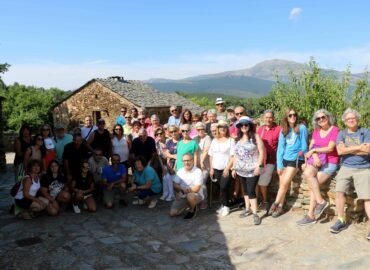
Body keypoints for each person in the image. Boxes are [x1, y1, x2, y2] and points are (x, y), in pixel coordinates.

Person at [330, 109, 370, 239]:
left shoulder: (365, 132)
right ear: (345, 121)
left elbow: (367, 151)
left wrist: (348, 149)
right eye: (348, 119)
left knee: (367, 198)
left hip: (364, 168)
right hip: (346, 167)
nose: (351, 120)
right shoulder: (342, 134)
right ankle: (341, 220)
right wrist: (359, 147)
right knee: (339, 192)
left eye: (353, 118)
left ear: (357, 119)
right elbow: (340, 151)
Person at [296, 109, 340, 225]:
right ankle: (320, 202)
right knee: (308, 174)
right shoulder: (316, 131)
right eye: (318, 118)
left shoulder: (334, 130)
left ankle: (311, 215)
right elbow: (311, 147)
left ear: (328, 117)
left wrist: (314, 150)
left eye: (323, 117)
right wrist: (314, 155)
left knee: (312, 186)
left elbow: (330, 148)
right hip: (317, 160)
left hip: (330, 162)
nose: (321, 120)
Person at [269, 109, 308, 218]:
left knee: (285, 182)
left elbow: (305, 145)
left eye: (294, 115)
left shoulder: (301, 128)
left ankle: (275, 204)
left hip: (295, 159)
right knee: (282, 185)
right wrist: (279, 165)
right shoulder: (284, 130)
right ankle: (281, 206)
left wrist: (302, 153)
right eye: (290, 115)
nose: (293, 117)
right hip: (285, 159)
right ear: (286, 117)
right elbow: (280, 149)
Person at [232, 116, 264, 225]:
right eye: (242, 125)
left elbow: (262, 152)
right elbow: (236, 155)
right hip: (241, 170)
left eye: (246, 124)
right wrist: (233, 168)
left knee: (251, 191)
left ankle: (255, 213)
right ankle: (247, 209)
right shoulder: (238, 139)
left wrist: (259, 167)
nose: (244, 127)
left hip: (252, 169)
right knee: (245, 190)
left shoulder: (255, 137)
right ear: (239, 127)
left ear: (249, 126)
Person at [209, 120, 236, 216]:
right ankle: (224, 204)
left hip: (226, 168)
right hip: (216, 168)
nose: (222, 128)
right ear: (218, 129)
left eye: (224, 127)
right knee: (221, 188)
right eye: (220, 127)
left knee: (224, 187)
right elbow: (211, 155)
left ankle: (226, 206)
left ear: (227, 128)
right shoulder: (214, 140)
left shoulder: (231, 140)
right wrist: (211, 168)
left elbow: (233, 156)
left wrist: (227, 168)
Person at [256, 110, 281, 209]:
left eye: (270, 117)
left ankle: (265, 201)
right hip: (260, 159)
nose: (268, 119)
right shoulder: (260, 129)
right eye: (266, 117)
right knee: (254, 182)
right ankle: (256, 202)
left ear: (274, 118)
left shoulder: (278, 129)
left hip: (271, 161)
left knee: (262, 183)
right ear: (263, 118)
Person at [170, 153, 205, 219]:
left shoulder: (198, 171)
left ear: (192, 160)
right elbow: (175, 184)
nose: (186, 162)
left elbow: (196, 189)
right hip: (183, 196)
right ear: (182, 162)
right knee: (173, 213)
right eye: (184, 161)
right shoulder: (180, 171)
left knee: (190, 196)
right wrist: (178, 192)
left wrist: (182, 192)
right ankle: (188, 204)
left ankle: (192, 210)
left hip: (196, 195)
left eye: (188, 160)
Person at [194, 122, 211, 209]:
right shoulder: (195, 138)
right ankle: (195, 199)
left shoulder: (207, 138)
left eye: (202, 129)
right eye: (198, 129)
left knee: (201, 182)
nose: (200, 131)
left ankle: (204, 201)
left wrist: (201, 162)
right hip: (195, 165)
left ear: (205, 129)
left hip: (205, 165)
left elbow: (206, 151)